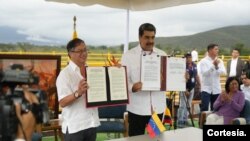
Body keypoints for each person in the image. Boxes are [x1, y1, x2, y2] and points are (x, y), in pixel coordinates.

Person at [121, 23, 167, 136]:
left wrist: (181, 78)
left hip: (157, 109)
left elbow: (169, 79)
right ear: (139, 37)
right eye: (147, 37)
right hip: (137, 109)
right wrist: (132, 87)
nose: (150, 40)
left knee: (155, 138)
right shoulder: (128, 56)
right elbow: (123, 81)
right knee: (136, 139)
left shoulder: (162, 55)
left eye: (152, 37)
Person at [56, 38, 100, 141]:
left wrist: (116, 72)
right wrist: (78, 93)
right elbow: (62, 102)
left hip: (91, 123)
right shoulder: (65, 75)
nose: (84, 53)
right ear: (70, 54)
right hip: (75, 127)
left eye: (85, 50)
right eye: (79, 51)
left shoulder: (92, 72)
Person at [199, 43, 226, 113]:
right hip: (206, 89)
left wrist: (217, 67)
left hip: (216, 88)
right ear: (210, 50)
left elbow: (223, 72)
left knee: (215, 108)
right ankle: (202, 123)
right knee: (204, 108)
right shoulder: (203, 61)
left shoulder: (220, 61)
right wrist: (213, 66)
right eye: (216, 49)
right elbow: (204, 73)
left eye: (218, 49)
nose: (218, 51)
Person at [177, 53, 200, 128]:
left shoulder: (194, 65)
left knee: (188, 105)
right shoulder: (182, 66)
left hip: (192, 88)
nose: (189, 59)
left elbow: (196, 75)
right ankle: (180, 121)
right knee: (182, 105)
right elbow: (181, 79)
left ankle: (185, 119)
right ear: (185, 58)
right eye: (188, 58)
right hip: (184, 88)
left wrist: (199, 83)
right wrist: (185, 89)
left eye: (190, 57)